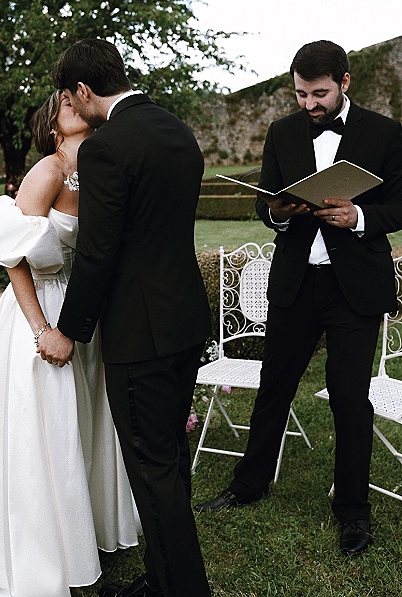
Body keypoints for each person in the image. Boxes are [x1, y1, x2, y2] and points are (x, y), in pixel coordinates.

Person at [0, 91, 139, 597]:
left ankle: (84, 532)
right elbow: (15, 258)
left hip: (82, 315)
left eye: (78, 97)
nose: (74, 101)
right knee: (49, 427)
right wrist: (40, 330)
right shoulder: (46, 173)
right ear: (53, 125)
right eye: (63, 101)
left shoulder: (97, 168)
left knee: (82, 422)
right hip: (42, 313)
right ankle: (39, 550)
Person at [196, 40, 402, 556]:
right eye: (300, 94)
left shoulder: (384, 132)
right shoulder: (281, 132)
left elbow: (400, 205)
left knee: (351, 398)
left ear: (345, 83)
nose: (309, 105)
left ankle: (353, 511)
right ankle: (249, 484)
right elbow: (265, 206)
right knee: (274, 386)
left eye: (319, 94)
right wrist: (281, 212)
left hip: (353, 287)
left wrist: (359, 218)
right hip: (294, 282)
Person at [42, 39, 213, 597]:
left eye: (71, 97)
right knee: (169, 460)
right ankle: (163, 579)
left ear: (83, 91)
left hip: (142, 334)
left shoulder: (105, 148)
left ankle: (183, 589)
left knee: (152, 468)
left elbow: (97, 254)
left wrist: (67, 330)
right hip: (187, 319)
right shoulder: (177, 130)